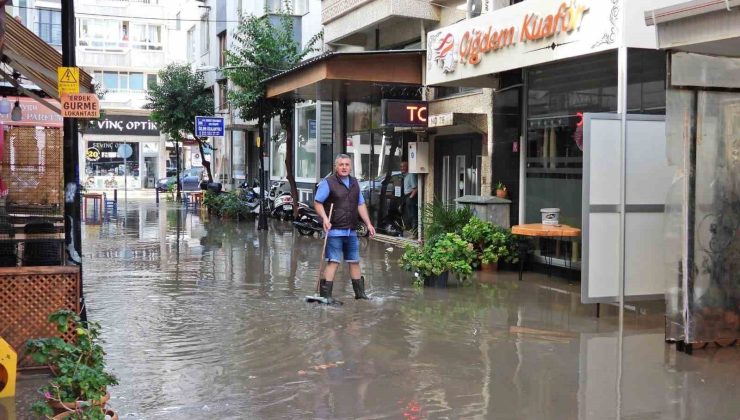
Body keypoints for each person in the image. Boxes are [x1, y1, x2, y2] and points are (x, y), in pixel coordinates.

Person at [314, 154, 376, 303]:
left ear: (350, 167)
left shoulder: (355, 183)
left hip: (352, 231)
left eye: (347, 164)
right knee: (333, 261)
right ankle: (326, 296)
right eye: (341, 164)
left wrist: (368, 224)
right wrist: (325, 218)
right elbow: (317, 202)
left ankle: (360, 295)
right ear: (336, 167)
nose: (344, 167)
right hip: (334, 230)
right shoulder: (328, 183)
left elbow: (360, 204)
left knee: (354, 261)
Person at [401, 161, 418, 235]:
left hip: (411, 196)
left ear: (408, 167)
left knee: (413, 215)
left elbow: (415, 188)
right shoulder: (405, 176)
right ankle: (412, 231)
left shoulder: (411, 175)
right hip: (407, 196)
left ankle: (415, 233)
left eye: (404, 166)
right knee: (409, 215)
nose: (402, 168)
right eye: (401, 166)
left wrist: (410, 197)